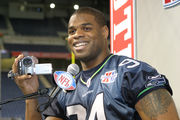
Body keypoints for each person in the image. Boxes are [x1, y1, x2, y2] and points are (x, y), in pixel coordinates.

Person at [11, 7, 179, 120]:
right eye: (72, 31)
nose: (77, 35)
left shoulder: (133, 73)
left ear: (104, 31)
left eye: (86, 28)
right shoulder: (66, 87)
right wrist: (30, 94)